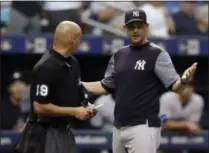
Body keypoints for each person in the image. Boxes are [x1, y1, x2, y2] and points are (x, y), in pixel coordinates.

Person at [82, 9, 198, 153]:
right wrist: (78, 84)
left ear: (146, 27)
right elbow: (105, 86)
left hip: (144, 126)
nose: (135, 30)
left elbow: (175, 86)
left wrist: (184, 80)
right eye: (131, 27)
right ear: (125, 29)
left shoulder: (157, 54)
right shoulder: (119, 55)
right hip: (119, 126)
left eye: (139, 26)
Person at [14, 21, 96, 153]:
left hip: (65, 130)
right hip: (44, 133)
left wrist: (86, 106)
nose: (81, 41)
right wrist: (75, 111)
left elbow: (75, 90)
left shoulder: (73, 63)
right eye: (80, 38)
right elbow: (40, 107)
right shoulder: (46, 67)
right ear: (73, 40)